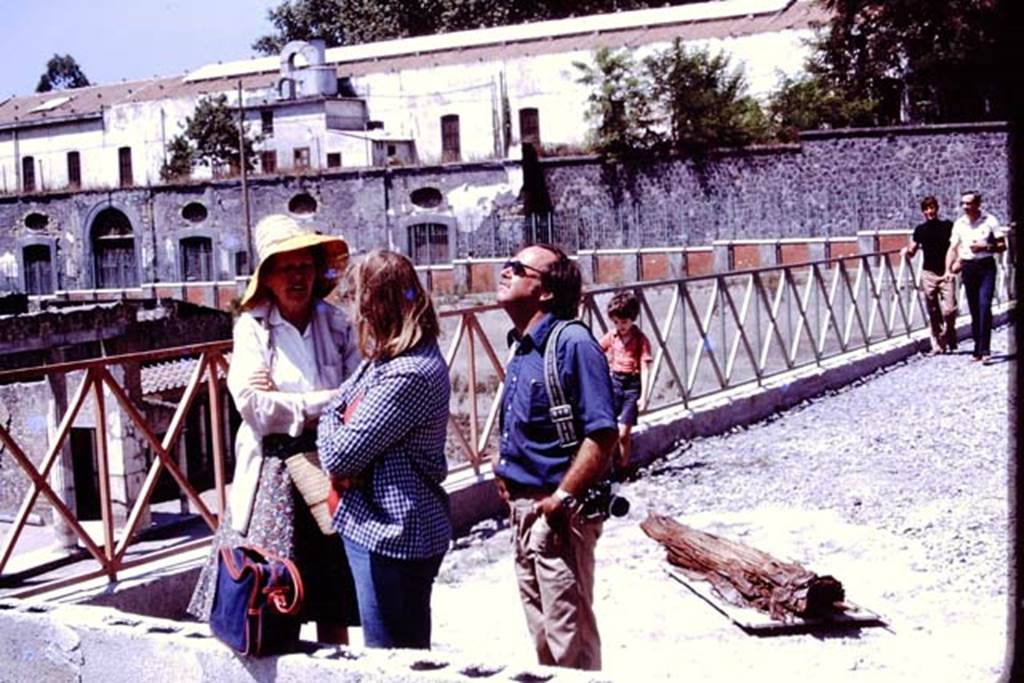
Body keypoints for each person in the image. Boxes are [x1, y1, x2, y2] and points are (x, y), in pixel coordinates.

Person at [187, 214, 361, 644]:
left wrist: (290, 402)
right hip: (274, 475)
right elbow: (255, 409)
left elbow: (358, 393)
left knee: (333, 593)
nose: (297, 276)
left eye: (304, 266)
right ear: (268, 277)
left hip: (329, 467)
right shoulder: (254, 328)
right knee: (269, 590)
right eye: (287, 268)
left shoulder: (336, 323)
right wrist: (327, 399)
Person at [316, 249, 452, 650]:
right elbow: (337, 406)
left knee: (392, 661)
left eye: (357, 299)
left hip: (394, 533)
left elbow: (338, 455)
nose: (354, 312)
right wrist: (336, 418)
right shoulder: (387, 359)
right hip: (380, 529)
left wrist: (333, 422)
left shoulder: (408, 372)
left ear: (374, 302)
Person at [493, 243, 618, 671]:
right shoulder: (522, 346)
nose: (504, 272)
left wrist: (561, 499)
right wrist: (503, 470)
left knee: (571, 641)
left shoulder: (574, 344)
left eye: (517, 268)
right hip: (526, 510)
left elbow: (602, 435)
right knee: (543, 634)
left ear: (544, 290)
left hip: (560, 513)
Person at [945, 191, 1005, 363]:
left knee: (984, 306)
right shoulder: (959, 224)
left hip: (986, 267)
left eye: (969, 203)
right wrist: (948, 270)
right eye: (963, 203)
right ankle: (977, 349)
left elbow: (1002, 245)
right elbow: (952, 248)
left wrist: (986, 246)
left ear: (978, 204)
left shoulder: (990, 220)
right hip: (968, 267)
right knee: (974, 309)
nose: (965, 207)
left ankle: (985, 350)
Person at [598, 290, 653, 470]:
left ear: (632, 319)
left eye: (624, 322)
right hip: (613, 384)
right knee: (608, 430)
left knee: (623, 433)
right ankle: (606, 470)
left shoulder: (640, 340)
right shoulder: (611, 337)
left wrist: (644, 396)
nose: (620, 326)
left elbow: (645, 368)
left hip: (631, 386)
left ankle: (623, 468)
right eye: (616, 322)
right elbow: (596, 350)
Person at [903, 196, 957, 354]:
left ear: (937, 209)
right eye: (926, 209)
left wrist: (955, 264)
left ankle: (949, 333)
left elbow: (956, 245)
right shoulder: (920, 230)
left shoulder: (948, 226)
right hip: (929, 273)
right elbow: (912, 250)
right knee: (932, 309)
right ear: (923, 212)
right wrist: (906, 251)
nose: (930, 211)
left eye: (932, 208)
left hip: (946, 272)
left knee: (950, 309)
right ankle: (938, 345)